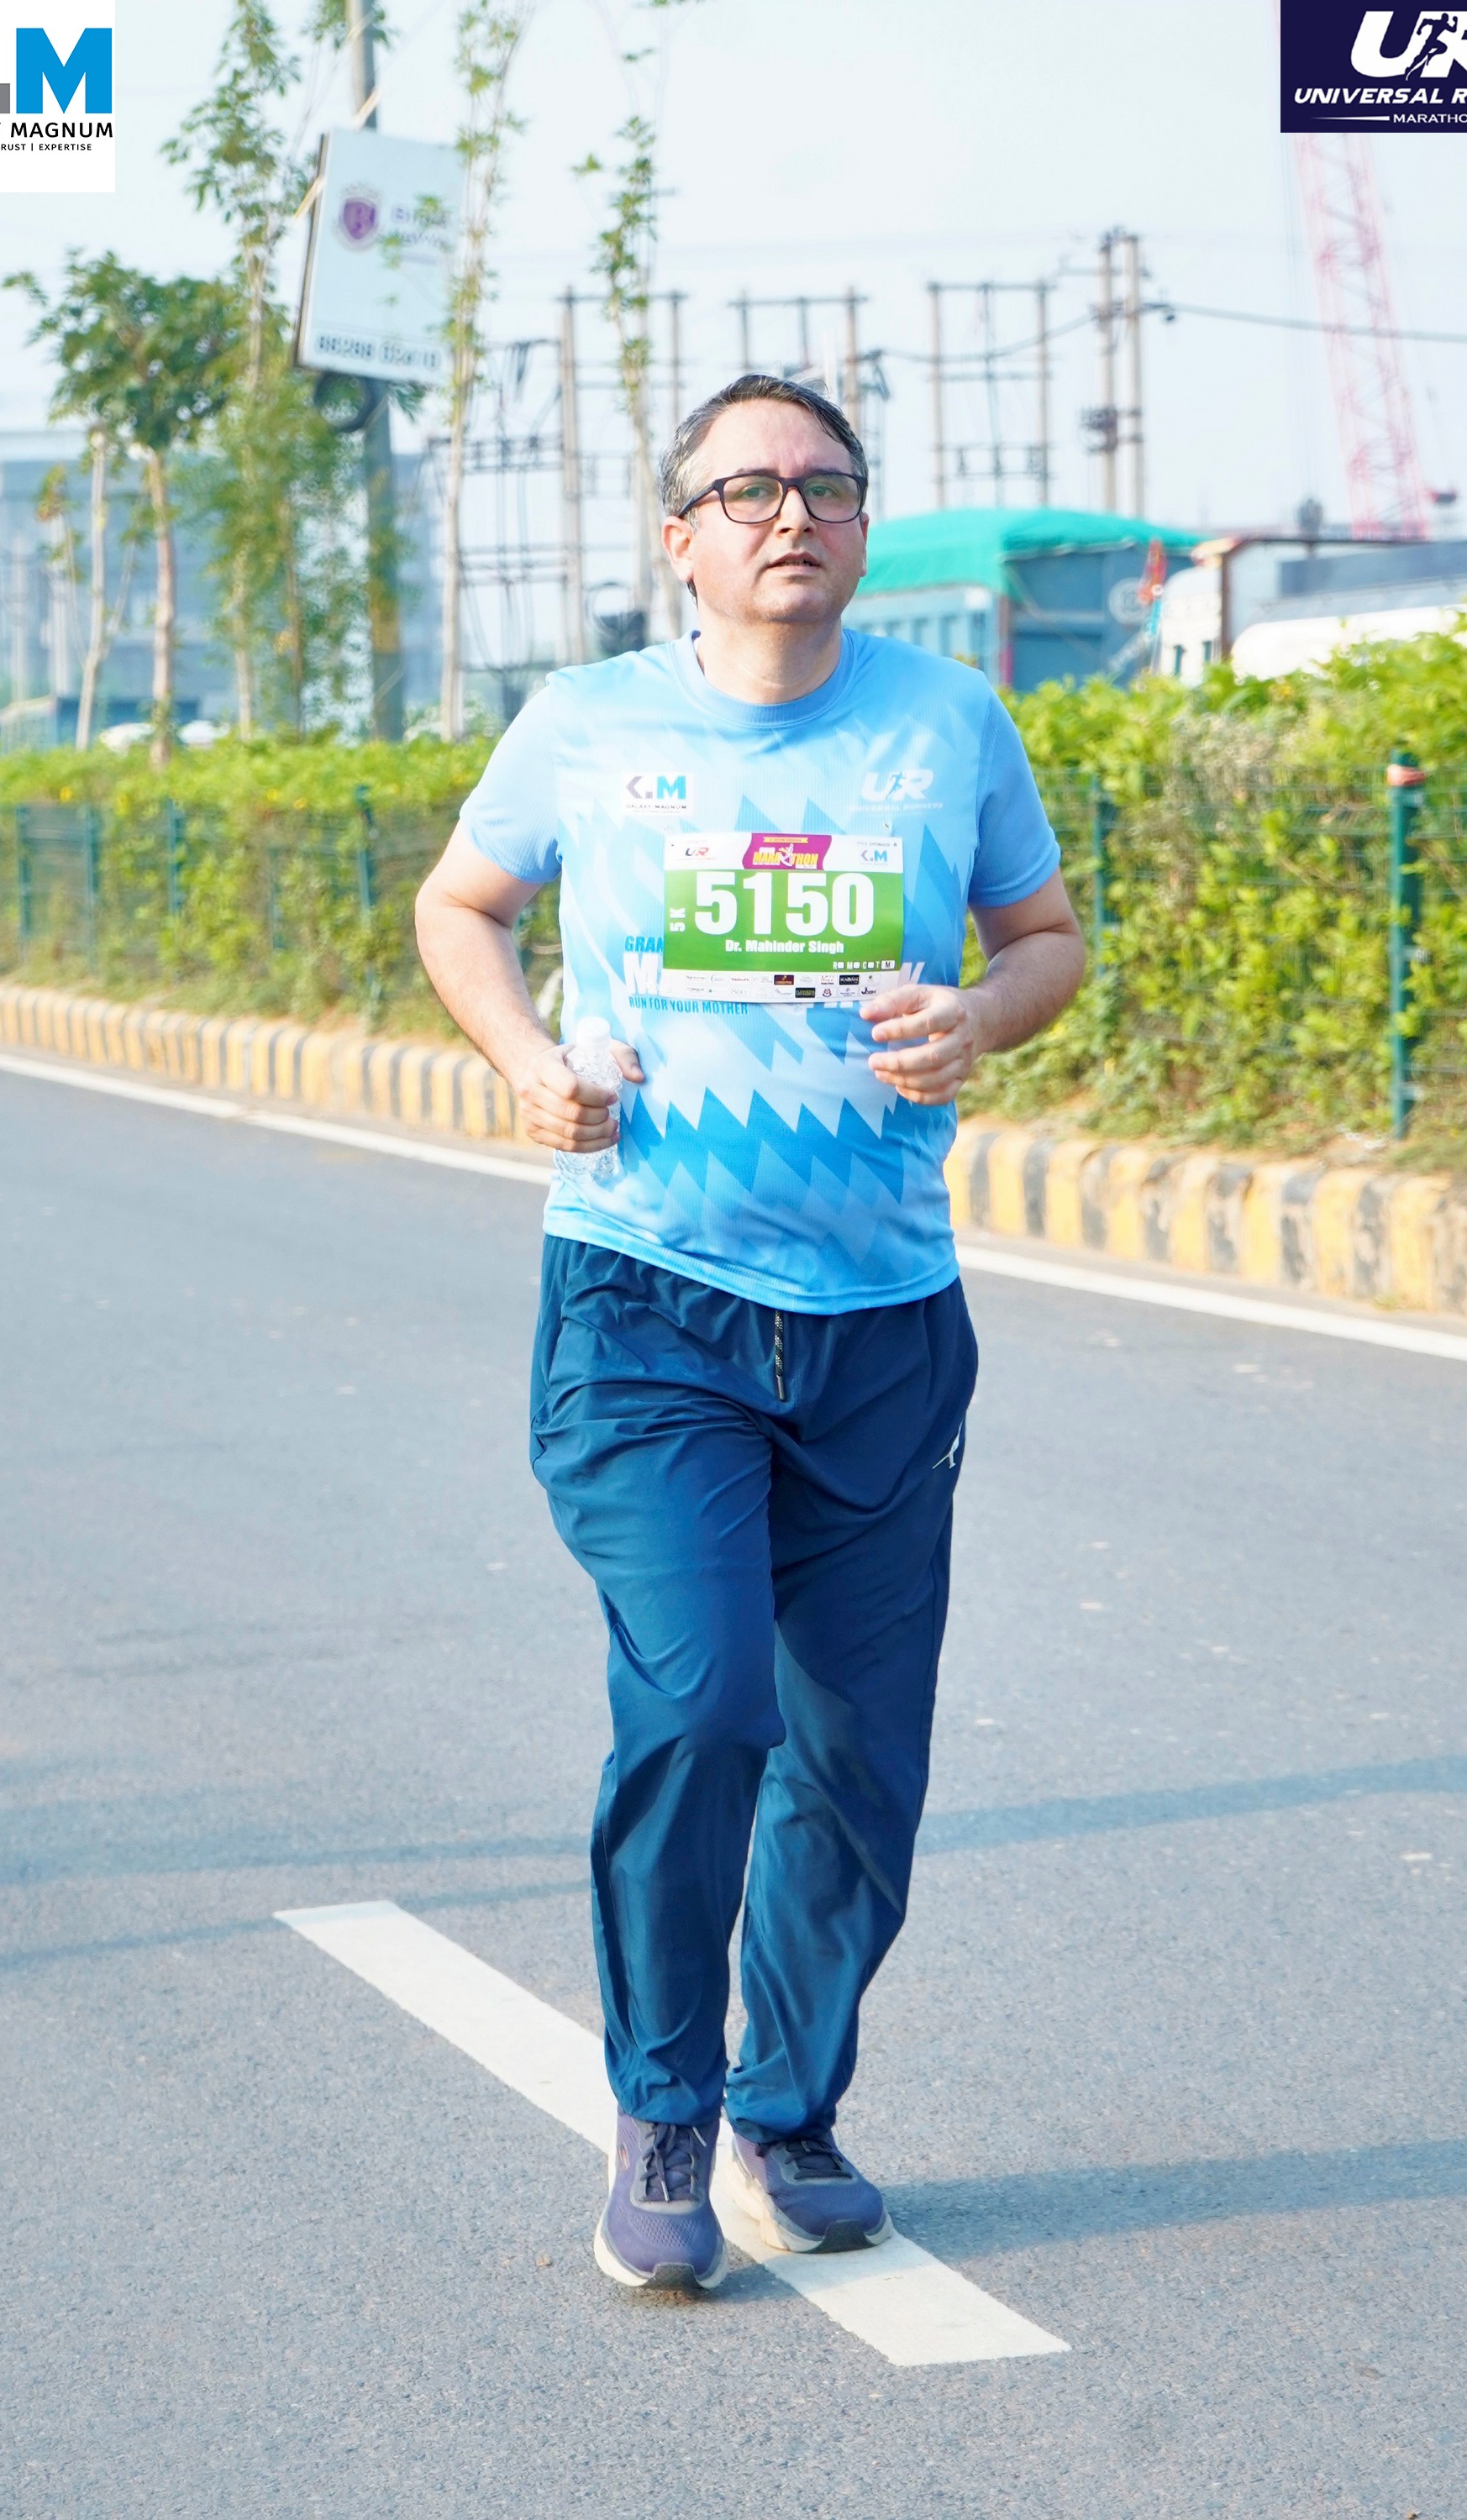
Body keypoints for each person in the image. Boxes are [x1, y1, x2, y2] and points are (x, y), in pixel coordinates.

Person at [415, 373, 1084, 2294]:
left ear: (861, 527)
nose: (793, 514)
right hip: (645, 1299)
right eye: (750, 489)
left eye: (827, 486)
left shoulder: (946, 723)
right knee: (706, 1703)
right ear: (680, 538)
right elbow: (462, 908)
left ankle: (786, 2111)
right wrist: (530, 1062)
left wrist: (981, 1016)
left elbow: (1043, 941)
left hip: (882, 1320)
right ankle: (661, 2105)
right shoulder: (588, 723)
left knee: (856, 1766)